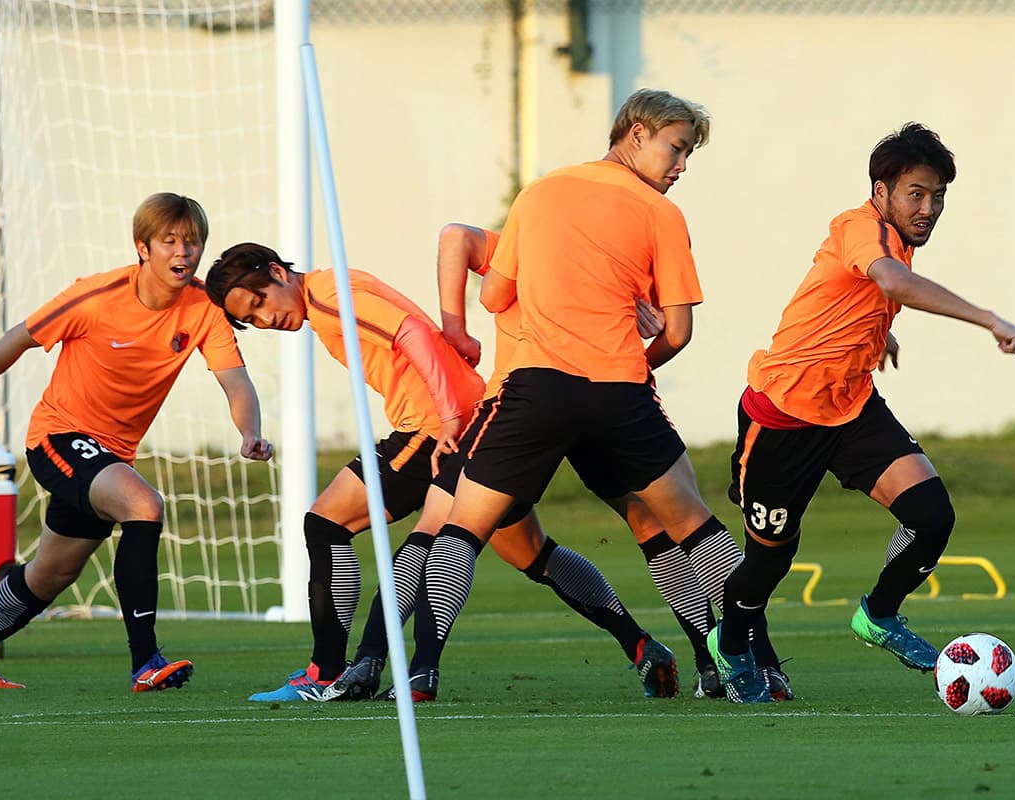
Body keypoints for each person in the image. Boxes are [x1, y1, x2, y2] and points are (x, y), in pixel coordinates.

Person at [400, 88, 770, 702]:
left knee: (461, 530)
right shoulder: (661, 214)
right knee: (688, 528)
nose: (681, 166)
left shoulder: (538, 194)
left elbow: (493, 297)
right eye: (677, 150)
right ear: (637, 133)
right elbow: (677, 332)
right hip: (616, 395)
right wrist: (633, 354)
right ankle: (739, 663)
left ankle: (423, 671)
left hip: (536, 389)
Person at [328, 221, 787, 704]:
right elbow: (456, 239)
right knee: (608, 532)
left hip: (530, 403)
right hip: (577, 400)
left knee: (455, 528)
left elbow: (456, 241)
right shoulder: (557, 247)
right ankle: (714, 658)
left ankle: (405, 670)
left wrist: (458, 330)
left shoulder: (569, 249)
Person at [204, 242, 672, 702]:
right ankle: (640, 645)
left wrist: (447, 415)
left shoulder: (327, 298)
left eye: (260, 301)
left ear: (277, 272)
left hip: (434, 427)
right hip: (479, 417)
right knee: (532, 552)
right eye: (252, 319)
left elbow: (411, 332)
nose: (265, 319)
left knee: (327, 521)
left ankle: (328, 671)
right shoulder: (333, 287)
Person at [709, 123, 1015, 702]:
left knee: (932, 515)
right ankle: (731, 642)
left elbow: (862, 292)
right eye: (915, 193)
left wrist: (873, 334)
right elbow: (891, 279)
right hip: (784, 415)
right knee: (771, 560)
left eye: (938, 195)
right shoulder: (859, 227)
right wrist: (991, 319)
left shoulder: (897, 240)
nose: (929, 207)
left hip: (851, 406)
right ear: (880, 191)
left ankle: (879, 614)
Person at [0, 192, 274, 691]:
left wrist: (250, 432)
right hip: (57, 437)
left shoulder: (203, 307)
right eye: (170, 241)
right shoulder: (94, 296)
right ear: (143, 247)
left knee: (51, 573)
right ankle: (146, 661)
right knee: (143, 504)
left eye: (192, 242)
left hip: (109, 455)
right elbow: (19, 337)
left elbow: (235, 381)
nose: (183, 252)